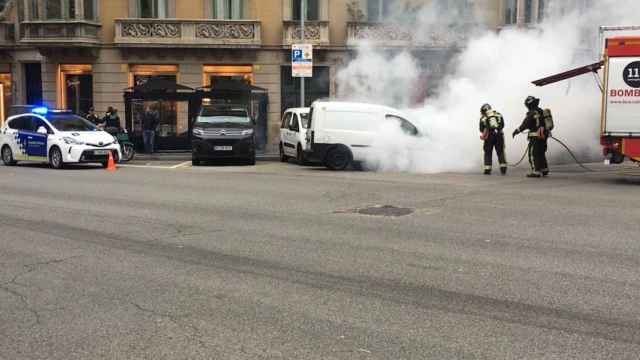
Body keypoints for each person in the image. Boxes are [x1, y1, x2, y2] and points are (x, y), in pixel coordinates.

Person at [512, 96, 549, 178]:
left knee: (533, 154)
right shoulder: (541, 111)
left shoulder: (532, 113)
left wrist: (517, 131)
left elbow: (525, 124)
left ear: (528, 105)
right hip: (544, 136)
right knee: (541, 153)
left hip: (535, 137)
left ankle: (536, 171)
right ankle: (544, 169)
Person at [479, 103, 507, 175]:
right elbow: (503, 124)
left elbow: (481, 129)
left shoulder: (483, 118)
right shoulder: (498, 114)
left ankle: (487, 169)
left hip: (489, 137)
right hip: (499, 135)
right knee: (500, 151)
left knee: (488, 152)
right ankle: (503, 168)